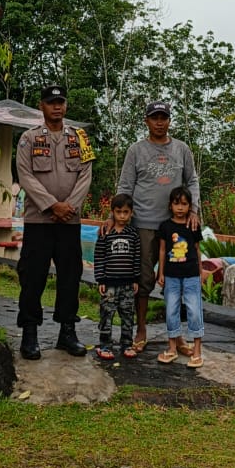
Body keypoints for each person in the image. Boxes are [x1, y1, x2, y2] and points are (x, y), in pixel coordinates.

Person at [15, 84, 95, 360]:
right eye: (51, 102)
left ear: (66, 105)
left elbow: (86, 175)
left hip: (69, 222)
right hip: (39, 220)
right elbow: (25, 175)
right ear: (42, 106)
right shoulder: (28, 138)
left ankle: (67, 332)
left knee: (70, 277)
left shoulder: (80, 138)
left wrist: (69, 206)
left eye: (60, 101)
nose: (57, 106)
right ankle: (29, 332)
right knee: (33, 276)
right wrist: (52, 205)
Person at [116, 100, 200, 354]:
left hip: (175, 227)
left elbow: (192, 181)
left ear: (169, 121)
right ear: (147, 121)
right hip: (143, 224)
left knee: (177, 281)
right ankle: (141, 329)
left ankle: (177, 335)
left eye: (164, 117)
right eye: (155, 118)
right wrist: (115, 217)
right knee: (143, 280)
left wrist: (194, 211)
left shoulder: (182, 149)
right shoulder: (136, 150)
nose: (160, 122)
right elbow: (125, 185)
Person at [156, 186, 204, 368]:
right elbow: (162, 250)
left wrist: (201, 272)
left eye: (184, 204)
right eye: (177, 204)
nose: (180, 208)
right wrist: (160, 273)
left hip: (191, 274)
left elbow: (198, 250)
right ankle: (172, 349)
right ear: (170, 206)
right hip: (171, 276)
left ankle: (197, 351)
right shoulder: (165, 227)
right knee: (171, 310)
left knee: (194, 309)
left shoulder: (193, 225)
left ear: (189, 206)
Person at [94, 192, 140, 361]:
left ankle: (127, 344)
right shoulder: (105, 233)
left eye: (125, 212)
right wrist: (101, 279)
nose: (122, 215)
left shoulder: (133, 234)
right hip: (110, 284)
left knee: (128, 315)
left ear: (131, 213)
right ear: (112, 212)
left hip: (128, 284)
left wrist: (135, 279)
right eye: (118, 212)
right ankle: (105, 345)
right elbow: (99, 256)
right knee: (107, 315)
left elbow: (136, 257)